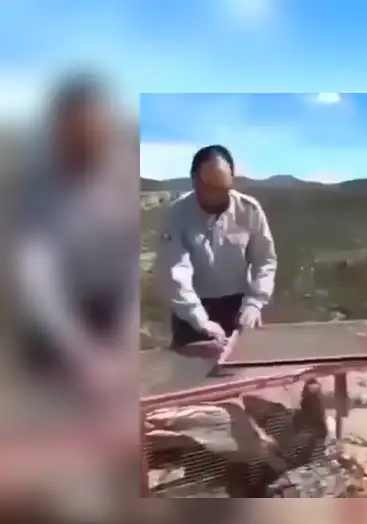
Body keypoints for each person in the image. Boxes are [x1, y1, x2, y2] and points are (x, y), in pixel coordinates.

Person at [13, 74, 137, 403]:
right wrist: (81, 354)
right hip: (53, 324)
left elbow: (129, 265)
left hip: (109, 312)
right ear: (60, 130)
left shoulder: (121, 176)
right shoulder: (36, 185)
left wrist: (124, 338)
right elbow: (37, 279)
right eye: (78, 129)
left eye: (96, 127)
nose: (88, 137)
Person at [155, 145, 278, 352]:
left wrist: (255, 302)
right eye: (211, 189)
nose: (219, 198)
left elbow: (264, 259)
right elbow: (176, 271)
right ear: (195, 181)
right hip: (192, 307)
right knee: (191, 376)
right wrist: (199, 319)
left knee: (240, 372)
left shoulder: (249, 210)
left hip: (238, 307)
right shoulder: (177, 215)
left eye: (224, 189)